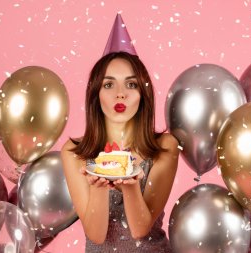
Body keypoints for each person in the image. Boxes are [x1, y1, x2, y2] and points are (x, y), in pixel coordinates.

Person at [61, 51, 179, 252]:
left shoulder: (165, 147)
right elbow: (96, 235)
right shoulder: (74, 152)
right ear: (96, 94)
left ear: (143, 93)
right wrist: (99, 186)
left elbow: (140, 229)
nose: (120, 93)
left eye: (131, 84)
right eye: (109, 84)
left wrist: (131, 186)